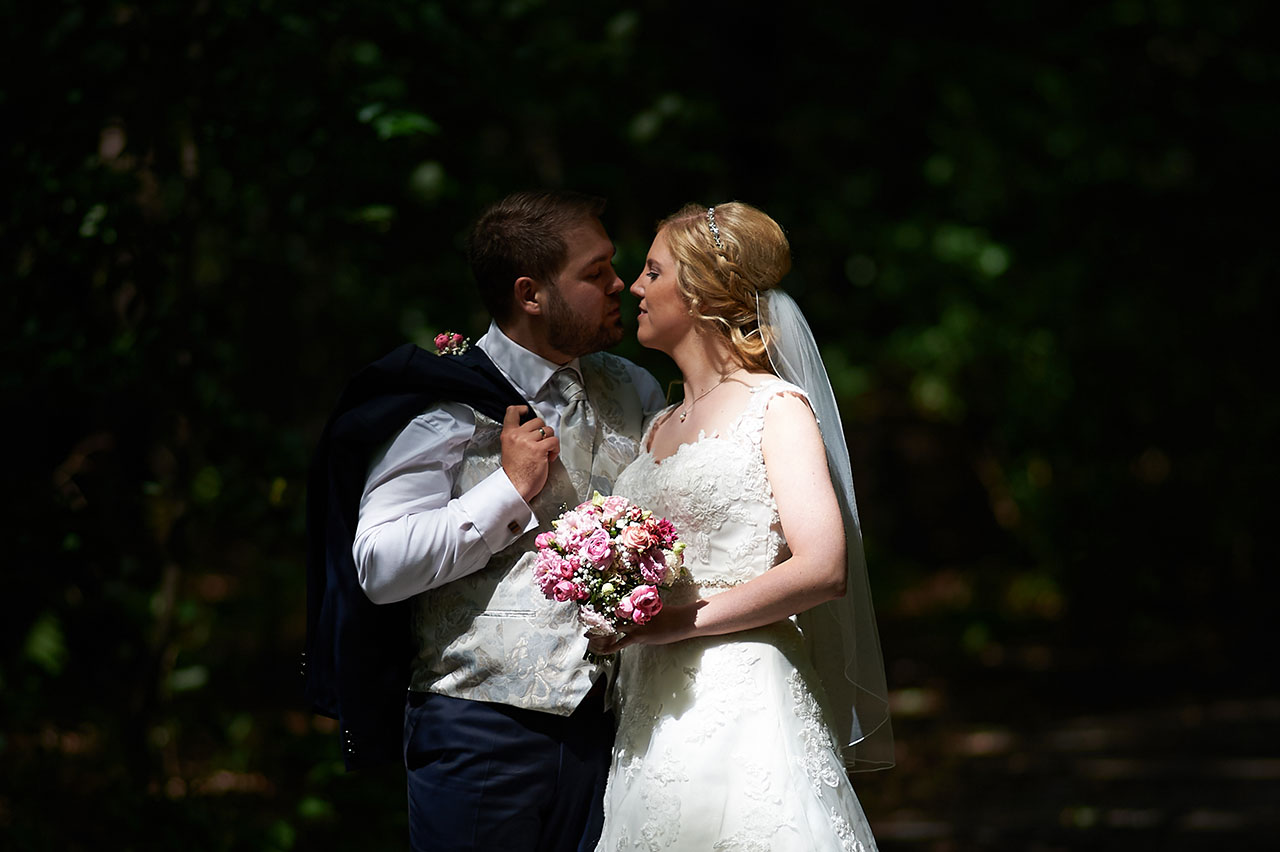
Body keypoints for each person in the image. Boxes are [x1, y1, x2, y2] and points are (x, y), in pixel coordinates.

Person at [352, 191, 665, 851]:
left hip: (612, 729)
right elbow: (378, 566)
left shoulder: (634, 390)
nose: (621, 284)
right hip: (478, 731)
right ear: (530, 293)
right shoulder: (445, 404)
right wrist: (508, 490)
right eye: (595, 271)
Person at [588, 202, 894, 850]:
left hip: (745, 692)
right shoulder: (657, 426)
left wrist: (676, 622)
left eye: (653, 270)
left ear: (697, 291)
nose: (635, 287)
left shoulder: (775, 407)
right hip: (652, 710)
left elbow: (823, 566)